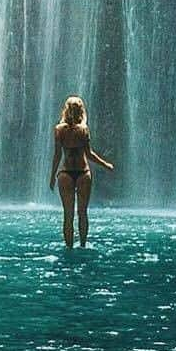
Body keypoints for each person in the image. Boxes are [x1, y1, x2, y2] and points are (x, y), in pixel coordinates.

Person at [48, 95, 114, 247]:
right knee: (82, 213)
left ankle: (69, 248)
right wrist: (105, 165)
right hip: (83, 173)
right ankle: (83, 245)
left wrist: (52, 177)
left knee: (68, 215)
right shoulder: (84, 130)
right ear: (81, 111)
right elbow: (89, 154)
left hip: (65, 173)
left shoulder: (59, 130)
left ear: (66, 110)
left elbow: (57, 155)